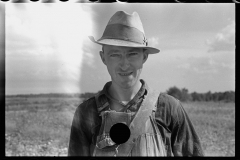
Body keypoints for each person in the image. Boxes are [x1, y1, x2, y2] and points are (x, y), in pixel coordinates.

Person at [68, 10, 204, 157]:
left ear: (144, 57)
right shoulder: (86, 112)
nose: (124, 65)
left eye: (132, 54)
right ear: (103, 58)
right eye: (115, 54)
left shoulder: (170, 109)